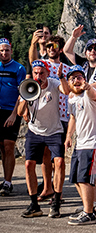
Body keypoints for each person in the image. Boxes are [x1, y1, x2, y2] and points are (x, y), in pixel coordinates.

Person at [18, 60, 68, 218]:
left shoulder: (53, 83)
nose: (38, 76)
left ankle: (56, 201)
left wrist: (61, 77)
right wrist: (27, 96)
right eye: (36, 73)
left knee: (59, 162)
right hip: (35, 131)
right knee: (28, 164)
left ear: (47, 73)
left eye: (41, 73)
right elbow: (20, 112)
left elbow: (66, 91)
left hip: (54, 131)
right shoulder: (28, 85)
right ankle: (34, 204)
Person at [63, 65, 96, 225]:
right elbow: (73, 118)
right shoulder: (72, 98)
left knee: (85, 178)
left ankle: (89, 214)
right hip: (81, 142)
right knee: (76, 177)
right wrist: (69, 136)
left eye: (79, 77)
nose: (76, 80)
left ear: (85, 79)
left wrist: (87, 86)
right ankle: (87, 207)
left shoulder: (90, 94)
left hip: (94, 141)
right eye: (73, 78)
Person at [0, 38, 27, 196]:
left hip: (11, 111)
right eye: (1, 50)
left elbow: (22, 93)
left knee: (9, 146)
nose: (4, 53)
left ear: (11, 50)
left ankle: (8, 182)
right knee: (1, 147)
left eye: (6, 50)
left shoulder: (19, 68)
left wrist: (14, 114)